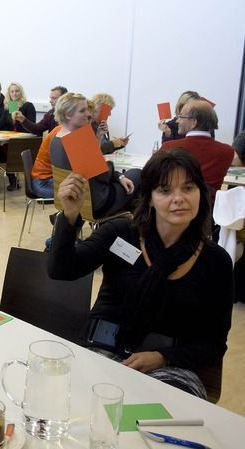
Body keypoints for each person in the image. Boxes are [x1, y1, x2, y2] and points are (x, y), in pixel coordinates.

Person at [48, 148, 233, 398]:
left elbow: (213, 344)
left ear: (201, 193)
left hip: (172, 368)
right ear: (150, 198)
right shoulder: (121, 233)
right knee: (72, 402)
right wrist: (69, 216)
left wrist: (163, 357)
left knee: (153, 422)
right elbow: (62, 269)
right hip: (102, 349)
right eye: (165, 191)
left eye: (188, 188)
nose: (178, 198)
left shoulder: (215, 261)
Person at [50, 92, 141, 219]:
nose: (88, 114)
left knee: (128, 182)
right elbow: (104, 175)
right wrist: (118, 175)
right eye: (82, 111)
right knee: (137, 174)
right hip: (96, 204)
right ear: (67, 115)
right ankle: (123, 227)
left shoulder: (55, 139)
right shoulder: (79, 140)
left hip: (72, 200)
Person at [160, 100, 234, 205]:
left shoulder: (169, 147)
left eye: (181, 117)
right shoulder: (227, 152)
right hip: (209, 211)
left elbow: (151, 176)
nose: (177, 121)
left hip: (176, 206)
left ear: (194, 122)